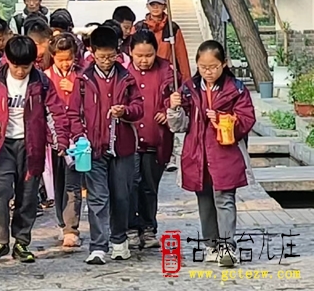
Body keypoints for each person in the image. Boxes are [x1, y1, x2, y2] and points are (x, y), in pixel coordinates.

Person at [167, 40, 255, 268]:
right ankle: (210, 244)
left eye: (214, 67)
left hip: (225, 153)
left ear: (224, 64)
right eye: (203, 67)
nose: (208, 72)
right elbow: (179, 126)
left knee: (225, 199)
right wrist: (174, 107)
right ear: (197, 64)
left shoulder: (235, 88)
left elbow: (246, 119)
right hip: (197, 154)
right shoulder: (188, 88)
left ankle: (227, 245)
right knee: (204, 200)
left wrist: (224, 120)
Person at [0, 36, 69, 263]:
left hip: (32, 145)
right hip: (2, 145)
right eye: (16, 66)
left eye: (26, 66)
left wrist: (61, 140)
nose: (20, 71)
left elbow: (56, 112)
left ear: (33, 63)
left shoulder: (41, 82)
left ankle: (21, 241)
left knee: (28, 195)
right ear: (7, 60)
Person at [66, 26, 143, 265]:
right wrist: (80, 137)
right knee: (98, 197)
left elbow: (139, 108)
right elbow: (72, 114)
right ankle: (98, 246)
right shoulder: (82, 80)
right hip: (92, 148)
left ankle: (119, 241)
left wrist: (126, 111)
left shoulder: (127, 77)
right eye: (102, 56)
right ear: (92, 52)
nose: (107, 61)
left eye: (111, 56)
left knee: (121, 195)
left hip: (122, 148)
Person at [126, 30, 174, 250]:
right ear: (130, 53)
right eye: (139, 56)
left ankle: (148, 228)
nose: (144, 60)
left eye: (149, 55)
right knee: (130, 185)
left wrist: (168, 111)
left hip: (157, 138)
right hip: (131, 139)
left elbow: (177, 99)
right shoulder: (123, 73)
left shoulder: (167, 71)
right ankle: (131, 227)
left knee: (149, 186)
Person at [45, 33, 84, 248]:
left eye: (68, 58)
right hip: (52, 138)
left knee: (73, 183)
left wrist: (77, 89)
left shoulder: (82, 76)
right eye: (60, 59)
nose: (65, 63)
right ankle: (61, 221)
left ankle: (72, 227)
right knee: (57, 182)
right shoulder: (44, 76)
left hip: (77, 137)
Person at [134, 0, 191, 83]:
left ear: (165, 6)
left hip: (166, 76)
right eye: (153, 4)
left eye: (159, 4)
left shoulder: (172, 29)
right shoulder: (138, 27)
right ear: (148, 6)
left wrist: (187, 82)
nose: (155, 7)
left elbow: (181, 57)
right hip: (143, 75)